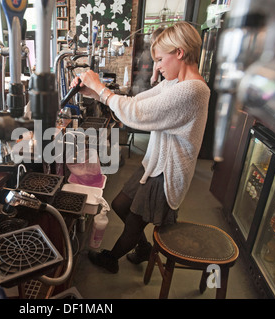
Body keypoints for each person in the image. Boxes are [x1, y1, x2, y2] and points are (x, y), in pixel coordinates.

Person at [70, 21, 210, 274]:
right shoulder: (174, 84)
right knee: (121, 204)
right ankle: (143, 248)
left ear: (179, 52)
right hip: (154, 165)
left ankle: (111, 259)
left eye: (159, 59)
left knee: (133, 223)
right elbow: (135, 102)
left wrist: (101, 88)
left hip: (166, 174)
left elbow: (137, 114)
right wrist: (94, 93)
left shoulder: (194, 90)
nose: (156, 67)